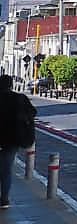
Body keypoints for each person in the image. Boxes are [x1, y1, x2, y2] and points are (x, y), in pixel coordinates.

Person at [0, 74, 36, 208]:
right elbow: (33, 112)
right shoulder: (19, 98)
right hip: (12, 139)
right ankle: (4, 199)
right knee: (6, 170)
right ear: (11, 85)